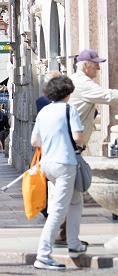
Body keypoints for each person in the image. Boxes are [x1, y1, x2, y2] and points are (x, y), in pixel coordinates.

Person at [31, 75, 86, 270]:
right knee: (57, 210)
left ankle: (74, 243)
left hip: (47, 164)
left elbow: (35, 141)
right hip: (65, 163)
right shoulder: (69, 110)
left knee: (75, 200)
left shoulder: (44, 111)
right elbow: (78, 136)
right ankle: (43, 255)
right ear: (68, 92)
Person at [69, 50, 118, 147]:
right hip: (70, 143)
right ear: (85, 65)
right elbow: (109, 96)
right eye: (96, 64)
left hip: (70, 140)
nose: (98, 68)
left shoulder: (75, 78)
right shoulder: (83, 83)